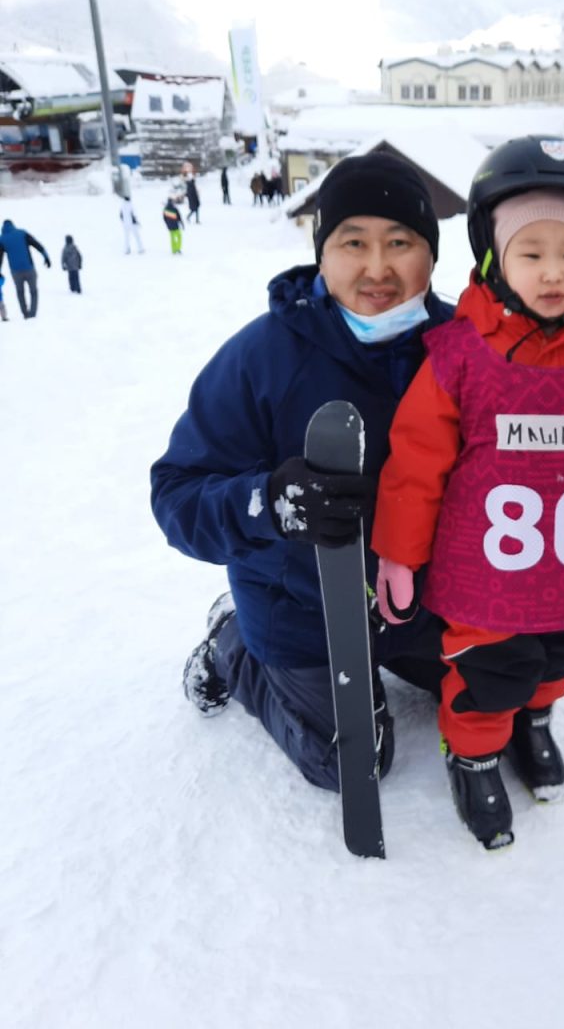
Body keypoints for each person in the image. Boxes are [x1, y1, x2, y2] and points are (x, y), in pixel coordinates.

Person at [371, 136, 564, 850]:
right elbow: (415, 464)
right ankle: (475, 752)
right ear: (492, 257)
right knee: (490, 675)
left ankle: (535, 725)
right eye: (532, 253)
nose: (553, 273)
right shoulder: (461, 357)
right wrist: (397, 556)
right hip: (482, 577)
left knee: (556, 660)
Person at [150, 153, 454, 793]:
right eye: (353, 243)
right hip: (304, 612)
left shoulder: (466, 348)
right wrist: (270, 502)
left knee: (506, 685)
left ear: (431, 254)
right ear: (323, 253)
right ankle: (233, 644)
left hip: (427, 603)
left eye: (401, 243)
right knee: (351, 766)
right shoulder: (262, 358)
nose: (377, 268)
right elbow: (177, 495)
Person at [0, 218, 51, 319]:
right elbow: (37, 245)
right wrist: (46, 257)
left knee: (20, 292)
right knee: (33, 291)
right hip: (29, 268)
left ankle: (25, 313)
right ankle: (32, 313)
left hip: (15, 272)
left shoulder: (2, 239)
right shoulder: (22, 233)